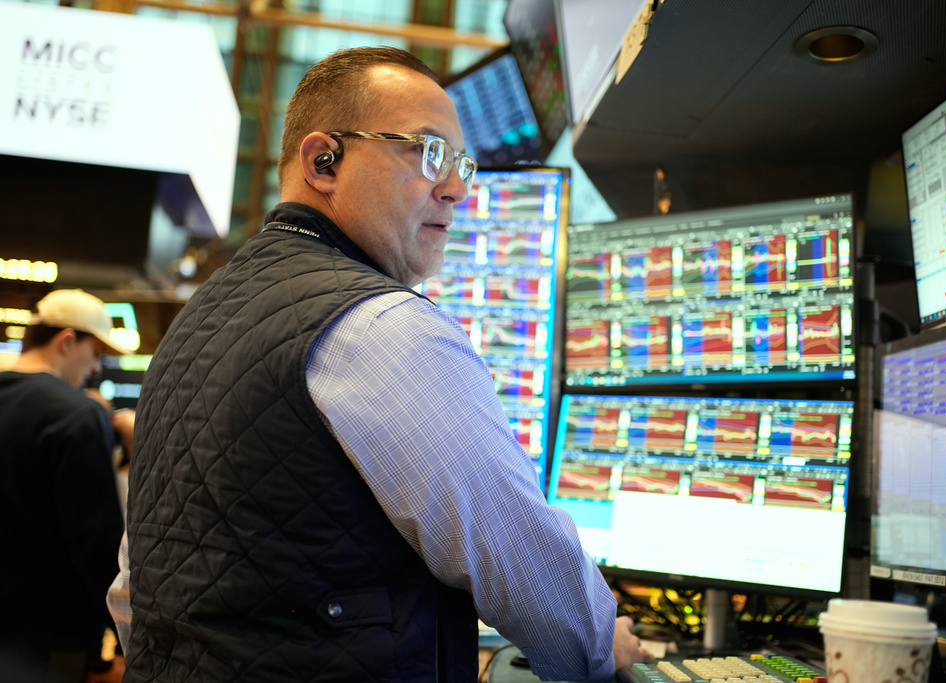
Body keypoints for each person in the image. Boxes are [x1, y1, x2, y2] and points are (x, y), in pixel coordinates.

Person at [124, 46, 653, 682]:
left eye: (461, 163)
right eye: (429, 152)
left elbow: (135, 592)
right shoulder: (381, 327)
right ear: (324, 161)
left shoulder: (197, 322)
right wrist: (606, 646)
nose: (456, 188)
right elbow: (533, 579)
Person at [0, 288, 133, 683]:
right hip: (52, 636)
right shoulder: (74, 415)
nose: (95, 370)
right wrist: (126, 641)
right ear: (67, 341)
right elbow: (96, 541)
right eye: (95, 356)